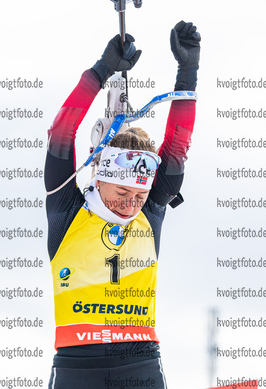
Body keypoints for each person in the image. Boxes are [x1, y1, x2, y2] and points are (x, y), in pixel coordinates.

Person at [45, 20, 200, 389]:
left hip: (141, 362)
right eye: (121, 193)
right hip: (75, 368)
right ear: (99, 176)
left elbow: (178, 144)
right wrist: (101, 70)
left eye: (140, 196)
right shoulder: (66, 208)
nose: (131, 205)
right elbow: (61, 133)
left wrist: (188, 72)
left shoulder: (149, 212)